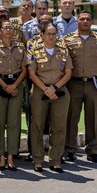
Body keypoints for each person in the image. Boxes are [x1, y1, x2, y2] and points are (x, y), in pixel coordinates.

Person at [63, 10, 97, 163]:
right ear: (77, 21)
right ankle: (69, 149)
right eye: (82, 19)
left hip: (94, 84)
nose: (85, 21)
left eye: (88, 19)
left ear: (92, 22)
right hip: (73, 83)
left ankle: (92, 151)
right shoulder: (68, 40)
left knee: (93, 118)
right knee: (71, 118)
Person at [28, 24, 72, 173]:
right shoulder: (35, 51)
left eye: (54, 34)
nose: (51, 37)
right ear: (42, 35)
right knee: (37, 126)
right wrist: (46, 89)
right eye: (48, 34)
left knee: (59, 127)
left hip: (60, 90)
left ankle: (55, 160)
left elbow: (68, 73)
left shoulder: (63, 51)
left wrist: (54, 88)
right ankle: (38, 160)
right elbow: (32, 73)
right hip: (40, 91)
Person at [0, 20, 27, 171]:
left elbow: (24, 69)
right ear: (0, 31)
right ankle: (1, 156)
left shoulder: (21, 46)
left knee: (13, 122)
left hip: (16, 85)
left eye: (11, 28)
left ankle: (11, 155)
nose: (8, 30)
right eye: (6, 28)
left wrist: (14, 86)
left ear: (14, 31)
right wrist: (5, 86)